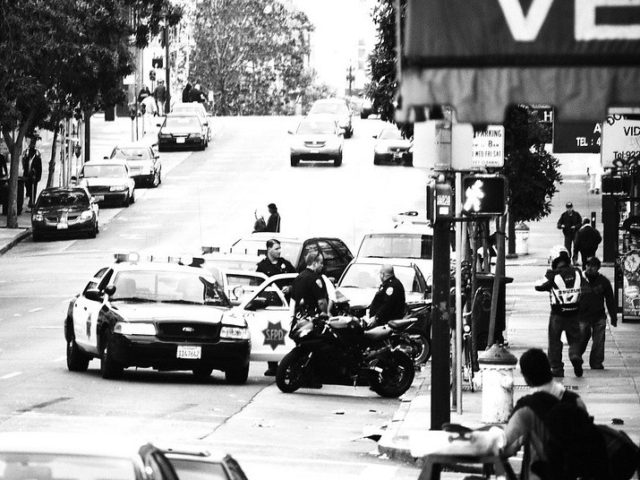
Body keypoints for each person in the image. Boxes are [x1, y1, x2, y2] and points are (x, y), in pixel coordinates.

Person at [489, 349, 604, 480]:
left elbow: (508, 446)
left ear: (526, 378)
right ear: (548, 369)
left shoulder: (526, 410)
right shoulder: (576, 401)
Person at [535, 246, 585, 377]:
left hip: (557, 314)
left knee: (555, 342)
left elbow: (539, 286)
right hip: (574, 313)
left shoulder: (553, 275)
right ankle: (575, 355)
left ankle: (557, 368)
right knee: (575, 339)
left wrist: (549, 278)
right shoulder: (577, 272)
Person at [256, 238, 296, 377]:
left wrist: (290, 288)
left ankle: (289, 364)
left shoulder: (286, 264)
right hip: (271, 306)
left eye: (280, 248)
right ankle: (272, 365)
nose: (279, 251)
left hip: (286, 305)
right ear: (269, 250)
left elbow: (296, 280)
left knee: (289, 334)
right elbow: (258, 285)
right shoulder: (262, 266)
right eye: (276, 248)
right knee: (273, 334)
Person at [579, 257, 616, 370]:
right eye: (588, 265)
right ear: (585, 266)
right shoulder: (579, 279)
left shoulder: (603, 281)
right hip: (582, 316)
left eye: (593, 266)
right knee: (582, 338)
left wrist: (613, 317)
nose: (590, 268)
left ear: (598, 268)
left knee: (599, 341)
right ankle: (576, 356)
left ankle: (596, 363)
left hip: (598, 315)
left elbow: (610, 300)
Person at [290, 252, 328, 321]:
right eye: (321, 263)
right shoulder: (316, 278)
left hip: (298, 318)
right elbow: (321, 302)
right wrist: (325, 314)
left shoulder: (298, 278)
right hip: (313, 319)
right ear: (314, 263)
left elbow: (293, 301)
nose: (322, 265)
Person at [21, 136, 42, 210]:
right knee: (28, 189)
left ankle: (32, 202)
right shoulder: (27, 159)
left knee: (34, 189)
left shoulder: (37, 159)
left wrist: (38, 177)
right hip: (27, 177)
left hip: (34, 177)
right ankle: (30, 199)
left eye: (31, 152)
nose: (29, 153)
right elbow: (24, 167)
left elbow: (40, 169)